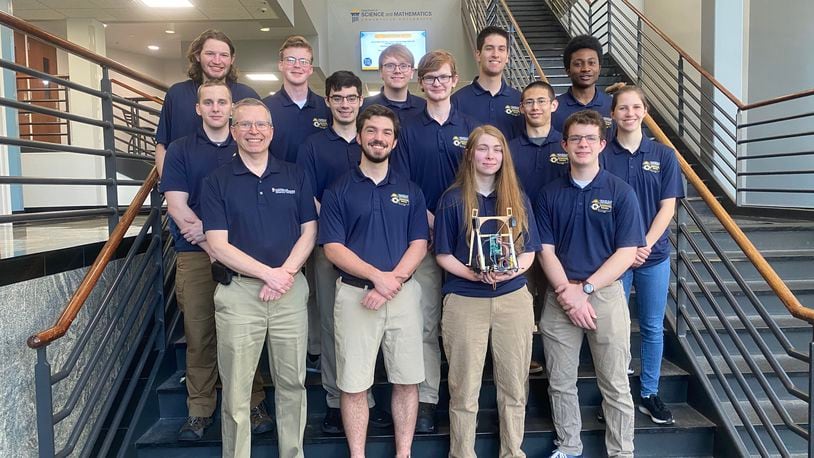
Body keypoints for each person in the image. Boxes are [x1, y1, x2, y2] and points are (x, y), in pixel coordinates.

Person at [201, 98, 317, 458]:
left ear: (272, 130)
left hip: (290, 292)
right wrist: (269, 274)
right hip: (239, 294)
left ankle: (292, 453)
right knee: (236, 390)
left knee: (292, 384)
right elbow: (217, 245)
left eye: (261, 125)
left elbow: (309, 231)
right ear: (233, 130)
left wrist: (285, 275)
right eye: (246, 125)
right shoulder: (216, 180)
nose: (254, 132)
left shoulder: (294, 174)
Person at [160, 81, 272, 441]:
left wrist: (222, 245)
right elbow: (178, 206)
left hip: (243, 258)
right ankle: (199, 409)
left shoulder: (247, 148)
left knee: (245, 335)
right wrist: (212, 243)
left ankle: (253, 404)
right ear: (198, 109)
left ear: (232, 108)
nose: (215, 108)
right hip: (195, 255)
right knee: (199, 333)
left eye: (222, 102)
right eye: (208, 102)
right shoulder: (180, 150)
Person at [319, 104, 429, 458]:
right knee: (353, 384)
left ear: (394, 141)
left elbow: (419, 244)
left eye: (385, 133)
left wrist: (390, 283)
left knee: (407, 379)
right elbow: (333, 248)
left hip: (402, 296)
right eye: (371, 131)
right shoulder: (338, 190)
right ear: (360, 136)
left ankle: (404, 453)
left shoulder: (410, 190)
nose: (378, 138)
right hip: (355, 297)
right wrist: (376, 278)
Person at [535, 110, 645, 458]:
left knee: (615, 382)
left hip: (605, 296)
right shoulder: (549, 193)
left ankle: (621, 451)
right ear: (564, 144)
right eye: (575, 139)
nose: (582, 145)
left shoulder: (621, 192)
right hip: (559, 296)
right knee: (560, 382)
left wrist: (585, 291)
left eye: (589, 139)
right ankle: (568, 446)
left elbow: (627, 252)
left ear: (601, 144)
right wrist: (568, 292)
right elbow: (544, 251)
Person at [296, 71, 392, 434]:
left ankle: (367, 399)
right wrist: (337, 231)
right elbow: (310, 197)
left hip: (375, 250)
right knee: (333, 323)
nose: (346, 104)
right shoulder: (313, 146)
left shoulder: (374, 138)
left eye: (352, 97)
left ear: (361, 99)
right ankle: (338, 401)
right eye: (338, 98)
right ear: (328, 101)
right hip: (330, 247)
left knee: (375, 323)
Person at [434, 125, 538, 457]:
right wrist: (473, 274)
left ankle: (513, 452)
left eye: (497, 149)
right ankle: (462, 453)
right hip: (465, 300)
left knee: (514, 386)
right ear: (470, 154)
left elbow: (530, 251)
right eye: (482, 148)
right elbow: (442, 254)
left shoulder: (518, 198)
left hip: (512, 299)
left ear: (504, 156)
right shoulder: (452, 199)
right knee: (464, 389)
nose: (490, 155)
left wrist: (510, 273)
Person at [393, 49, 481, 433]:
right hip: (425, 239)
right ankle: (428, 397)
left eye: (443, 77)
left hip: (467, 239)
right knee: (426, 323)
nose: (437, 84)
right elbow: (405, 185)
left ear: (455, 80)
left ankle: (465, 397)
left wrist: (457, 224)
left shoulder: (471, 127)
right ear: (420, 83)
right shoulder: (407, 128)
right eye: (430, 79)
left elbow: (483, 179)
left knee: (467, 325)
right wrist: (434, 223)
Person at [601, 86, 684, 425]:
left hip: (654, 255)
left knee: (652, 327)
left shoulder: (664, 155)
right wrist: (625, 249)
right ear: (613, 113)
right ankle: (617, 394)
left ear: (646, 111)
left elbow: (668, 207)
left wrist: (644, 244)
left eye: (636, 107)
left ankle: (649, 392)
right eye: (623, 108)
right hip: (612, 258)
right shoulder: (603, 154)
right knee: (614, 328)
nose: (630, 113)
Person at [155, 29, 259, 176]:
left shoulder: (247, 96)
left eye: (224, 55)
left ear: (232, 59)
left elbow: (260, 144)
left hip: (237, 187)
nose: (217, 61)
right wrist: (170, 186)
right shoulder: (176, 94)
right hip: (187, 188)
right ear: (197, 55)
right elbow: (162, 145)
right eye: (210, 54)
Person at [263, 35, 331, 164]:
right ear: (280, 65)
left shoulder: (326, 107)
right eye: (290, 60)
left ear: (310, 69)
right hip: (279, 182)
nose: (297, 66)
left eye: (303, 61)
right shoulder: (264, 108)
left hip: (318, 183)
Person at [452, 26, 523, 140]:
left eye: (501, 49)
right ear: (478, 55)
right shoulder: (457, 101)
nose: (495, 54)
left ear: (507, 57)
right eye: (489, 48)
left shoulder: (520, 100)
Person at [550, 35, 612, 133]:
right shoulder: (553, 109)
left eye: (591, 63)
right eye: (578, 64)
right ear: (568, 70)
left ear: (599, 69)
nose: (585, 69)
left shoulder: (612, 106)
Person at [361, 44, 426, 120]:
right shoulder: (364, 107)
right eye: (390, 66)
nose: (397, 71)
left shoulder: (424, 107)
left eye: (403, 66)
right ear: (381, 72)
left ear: (412, 72)